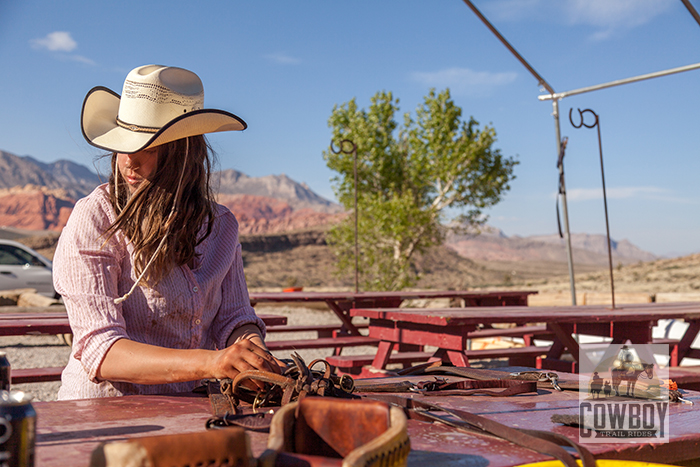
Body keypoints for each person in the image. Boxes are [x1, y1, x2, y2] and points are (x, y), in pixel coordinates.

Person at [53, 64, 281, 399]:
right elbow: (102, 351)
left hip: (186, 411)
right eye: (124, 143)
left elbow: (235, 317)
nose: (129, 159)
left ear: (185, 152)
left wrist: (251, 354)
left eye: (149, 145)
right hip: (103, 418)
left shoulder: (221, 225)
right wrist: (213, 363)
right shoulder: (97, 218)